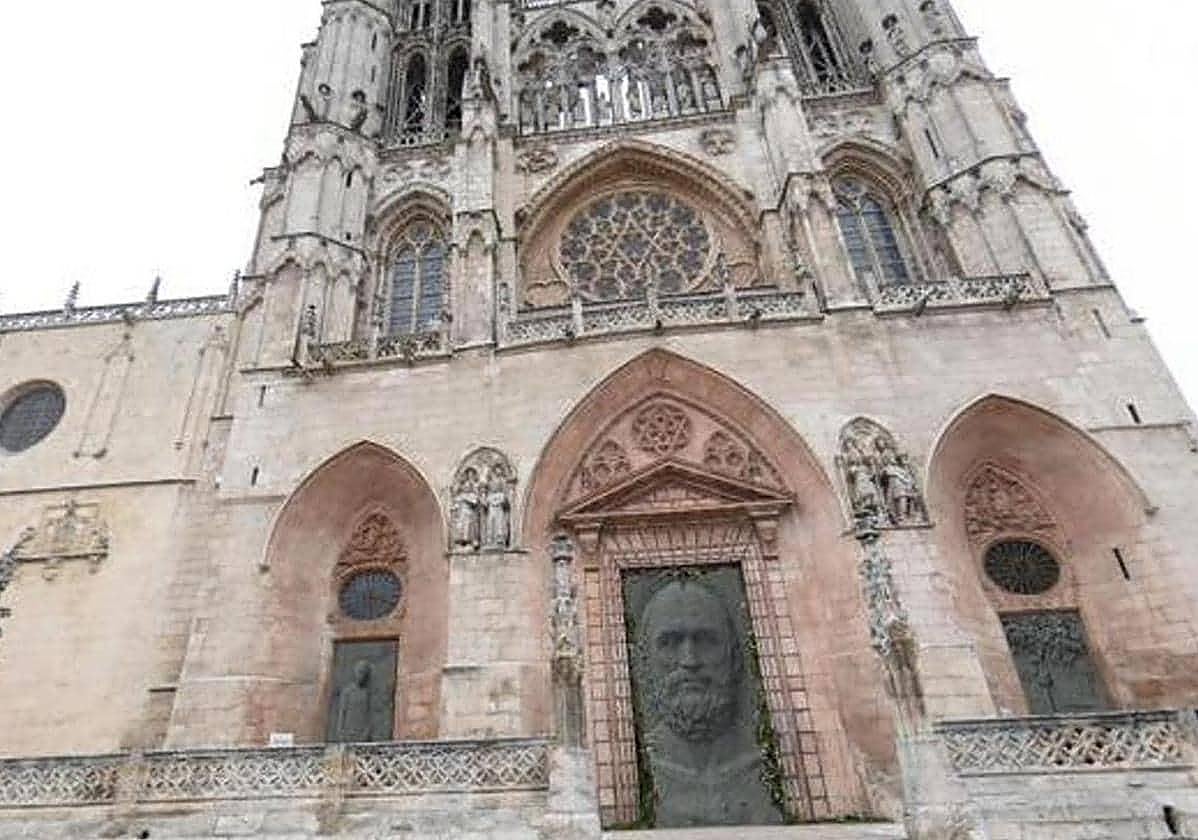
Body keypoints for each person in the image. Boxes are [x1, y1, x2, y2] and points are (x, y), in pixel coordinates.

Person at [634, 579, 783, 827]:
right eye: (669, 643)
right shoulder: (643, 766)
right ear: (643, 663)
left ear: (735, 657)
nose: (689, 661)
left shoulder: (760, 758)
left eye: (706, 641)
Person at [332, 660, 374, 742]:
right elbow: (342, 712)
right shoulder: (347, 692)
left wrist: (367, 732)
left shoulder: (368, 693)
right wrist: (340, 732)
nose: (361, 676)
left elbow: (370, 715)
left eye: (363, 673)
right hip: (348, 732)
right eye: (359, 672)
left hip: (362, 733)